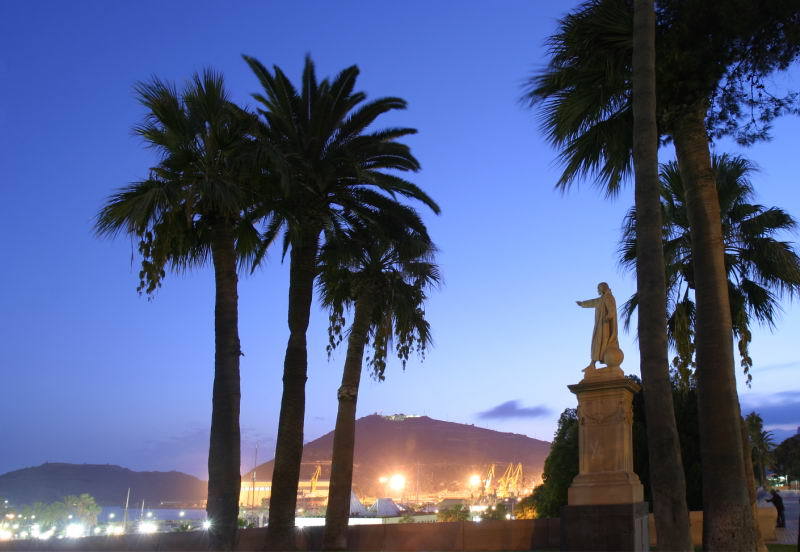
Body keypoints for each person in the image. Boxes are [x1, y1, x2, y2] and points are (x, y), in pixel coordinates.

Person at [576, 282, 620, 370]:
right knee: (597, 343)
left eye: (598, 288)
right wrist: (582, 304)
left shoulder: (608, 297)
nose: (597, 290)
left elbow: (612, 310)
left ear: (603, 288)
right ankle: (592, 363)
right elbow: (593, 302)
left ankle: (604, 362)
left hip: (605, 325)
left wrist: (608, 316)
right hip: (600, 325)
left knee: (602, 342)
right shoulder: (602, 299)